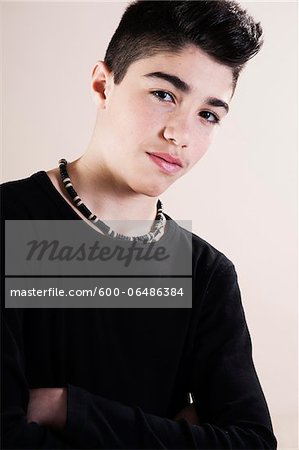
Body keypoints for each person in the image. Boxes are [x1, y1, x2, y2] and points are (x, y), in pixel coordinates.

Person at [1, 0, 277, 448]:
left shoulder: (205, 274)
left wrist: (66, 408)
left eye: (208, 114)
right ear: (102, 85)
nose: (180, 134)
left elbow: (251, 442)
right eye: (164, 94)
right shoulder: (9, 222)